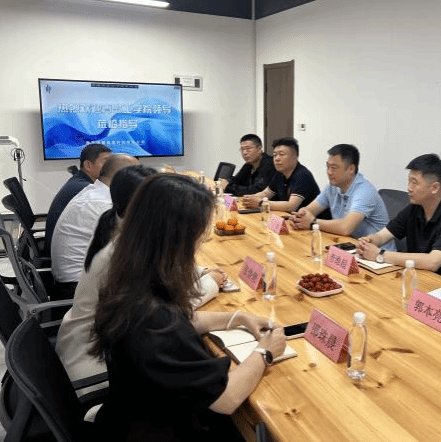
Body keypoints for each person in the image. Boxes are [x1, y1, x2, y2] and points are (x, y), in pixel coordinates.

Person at [92, 173, 286, 440]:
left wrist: (237, 317)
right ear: (176, 239)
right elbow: (227, 399)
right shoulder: (152, 318)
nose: (201, 243)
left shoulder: (131, 279)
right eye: (199, 234)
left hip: (134, 413)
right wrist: (265, 352)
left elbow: (179, 322)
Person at [56, 165, 227, 386]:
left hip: (98, 350)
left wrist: (201, 273)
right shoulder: (121, 255)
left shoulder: (122, 232)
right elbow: (167, 311)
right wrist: (210, 283)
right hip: (99, 369)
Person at [356, 154, 441, 277]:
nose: (409, 188)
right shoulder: (415, 208)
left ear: (435, 188)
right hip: (417, 276)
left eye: (414, 183)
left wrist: (379, 254)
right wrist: (369, 241)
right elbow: (382, 236)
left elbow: (433, 262)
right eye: (409, 182)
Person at [50, 154, 137, 299]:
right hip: (76, 289)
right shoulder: (103, 204)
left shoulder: (94, 192)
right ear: (124, 179)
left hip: (72, 281)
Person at [290, 144, 391, 247]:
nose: (329, 172)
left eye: (334, 168)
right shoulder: (332, 187)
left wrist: (312, 223)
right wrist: (301, 216)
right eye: (328, 167)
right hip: (348, 245)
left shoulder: (365, 192)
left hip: (376, 252)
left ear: (351, 168)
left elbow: (345, 228)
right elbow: (310, 209)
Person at [44, 143, 112, 254]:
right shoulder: (85, 190)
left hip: (61, 247)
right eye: (106, 162)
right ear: (88, 165)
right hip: (64, 252)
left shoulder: (79, 182)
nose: (111, 166)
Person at [242, 137, 324, 215]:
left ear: (295, 157)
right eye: (275, 155)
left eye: (281, 154)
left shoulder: (302, 175)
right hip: (291, 218)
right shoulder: (280, 173)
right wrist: (250, 198)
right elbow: (267, 193)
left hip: (314, 222)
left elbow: (291, 206)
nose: (277, 159)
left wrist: (261, 203)